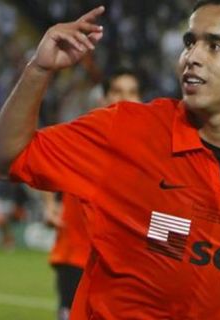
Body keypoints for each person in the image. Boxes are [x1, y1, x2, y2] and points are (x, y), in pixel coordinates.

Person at [0, 1, 220, 319]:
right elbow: (4, 158)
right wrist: (39, 70)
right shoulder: (127, 130)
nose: (192, 57)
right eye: (190, 42)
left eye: (216, 46)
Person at [44, 68, 142, 320]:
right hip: (76, 255)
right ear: (104, 98)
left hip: (120, 264)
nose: (125, 98)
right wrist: (49, 205)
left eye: (132, 92)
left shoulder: (148, 148)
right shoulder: (86, 135)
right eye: (117, 91)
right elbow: (43, 156)